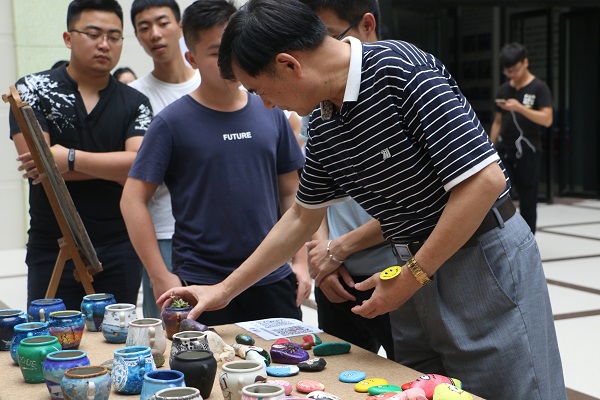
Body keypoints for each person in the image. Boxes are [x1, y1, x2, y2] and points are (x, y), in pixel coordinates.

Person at [158, 1, 566, 399]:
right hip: (410, 266)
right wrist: (223, 289)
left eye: (261, 90)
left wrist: (412, 276)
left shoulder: (400, 68)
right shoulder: (323, 120)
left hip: (480, 260)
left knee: (503, 387)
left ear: (288, 64)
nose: (266, 103)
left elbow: (483, 182)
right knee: (420, 388)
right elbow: (301, 216)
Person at [120, 0, 309, 327]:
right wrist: (159, 274)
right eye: (216, 52)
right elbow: (132, 200)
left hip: (272, 279)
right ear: (191, 58)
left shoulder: (271, 110)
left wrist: (300, 262)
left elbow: (291, 193)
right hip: (200, 285)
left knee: (285, 360)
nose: (230, 62)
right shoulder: (170, 123)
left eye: (235, 49)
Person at [9, 0, 152, 310]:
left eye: (114, 37)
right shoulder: (34, 89)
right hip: (52, 245)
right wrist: (114, 167)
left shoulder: (136, 102)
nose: (104, 44)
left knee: (117, 337)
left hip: (120, 246)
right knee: (50, 336)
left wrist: (68, 159)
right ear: (68, 38)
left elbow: (139, 168)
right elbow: (40, 168)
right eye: (93, 34)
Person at [300, 0, 395, 360]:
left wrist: (338, 248)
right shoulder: (319, 103)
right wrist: (322, 255)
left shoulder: (397, 84)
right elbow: (311, 196)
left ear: (366, 25)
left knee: (411, 375)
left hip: (393, 269)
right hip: (335, 273)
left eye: (325, 40)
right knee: (338, 373)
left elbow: (416, 205)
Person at [129, 0, 201, 319]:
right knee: (166, 331)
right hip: (162, 232)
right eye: (144, 28)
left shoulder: (212, 83)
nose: (155, 34)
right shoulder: (133, 96)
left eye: (162, 22)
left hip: (217, 233)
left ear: (180, 26)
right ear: (136, 35)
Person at [490, 43, 552, 234]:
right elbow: (498, 122)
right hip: (504, 149)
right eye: (507, 71)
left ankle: (529, 238)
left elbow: (547, 119)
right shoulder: (503, 90)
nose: (511, 75)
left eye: (514, 70)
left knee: (528, 198)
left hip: (528, 149)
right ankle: (505, 237)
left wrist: (520, 108)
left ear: (525, 62)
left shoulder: (539, 88)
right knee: (500, 196)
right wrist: (490, 148)